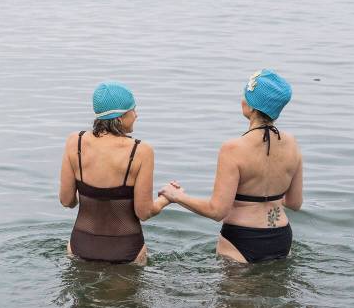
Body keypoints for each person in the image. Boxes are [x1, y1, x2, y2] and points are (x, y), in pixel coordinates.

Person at [160, 69, 302, 263]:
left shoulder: (233, 148)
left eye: (246, 95)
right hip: (281, 237)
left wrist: (176, 196)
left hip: (242, 239)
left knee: (234, 294)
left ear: (251, 107)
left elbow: (217, 211)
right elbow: (295, 203)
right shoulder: (292, 143)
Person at [59, 81, 169, 265]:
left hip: (80, 247)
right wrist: (167, 199)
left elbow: (66, 201)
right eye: (133, 110)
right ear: (119, 118)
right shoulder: (141, 151)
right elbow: (143, 212)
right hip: (126, 251)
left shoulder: (74, 142)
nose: (136, 115)